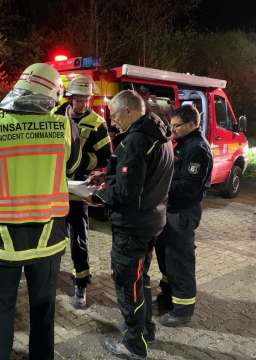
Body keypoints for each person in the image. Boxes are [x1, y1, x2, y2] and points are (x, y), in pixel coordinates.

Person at [0, 63, 81, 359]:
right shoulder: (65, 126)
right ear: (52, 93)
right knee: (44, 311)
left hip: (5, 241)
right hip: (49, 239)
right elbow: (71, 167)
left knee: (2, 309)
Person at [90, 90, 174, 359]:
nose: (112, 122)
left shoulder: (136, 141)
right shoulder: (158, 135)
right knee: (141, 280)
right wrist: (107, 177)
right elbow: (141, 180)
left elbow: (127, 192)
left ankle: (134, 344)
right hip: (151, 221)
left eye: (114, 116)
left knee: (128, 285)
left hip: (132, 226)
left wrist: (99, 193)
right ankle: (146, 330)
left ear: (128, 111)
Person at [54, 75, 111, 308]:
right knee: (54, 235)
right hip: (55, 186)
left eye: (86, 100)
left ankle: (81, 283)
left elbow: (106, 156)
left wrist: (78, 161)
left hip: (77, 189)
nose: (82, 104)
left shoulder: (97, 123)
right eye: (78, 99)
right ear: (70, 98)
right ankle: (50, 274)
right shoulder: (56, 115)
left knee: (79, 238)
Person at [154, 105, 213, 327]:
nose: (173, 129)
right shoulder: (183, 144)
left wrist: (160, 187)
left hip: (183, 212)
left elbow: (189, 187)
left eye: (177, 125)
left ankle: (183, 310)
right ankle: (169, 296)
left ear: (192, 124)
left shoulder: (197, 149)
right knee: (167, 255)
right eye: (172, 125)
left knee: (180, 260)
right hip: (171, 210)